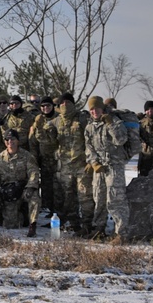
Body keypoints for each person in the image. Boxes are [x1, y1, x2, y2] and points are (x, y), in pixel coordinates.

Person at [84, 95, 129, 240]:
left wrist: (110, 124)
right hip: (99, 169)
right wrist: (93, 162)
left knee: (116, 200)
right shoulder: (89, 127)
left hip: (114, 167)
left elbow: (121, 139)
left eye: (96, 108)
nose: (94, 111)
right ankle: (99, 229)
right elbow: (88, 148)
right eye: (91, 109)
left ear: (102, 108)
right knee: (99, 199)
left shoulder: (113, 121)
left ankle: (121, 233)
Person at [49, 93, 93, 235]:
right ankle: (74, 223)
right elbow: (50, 143)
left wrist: (91, 160)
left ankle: (88, 225)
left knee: (85, 196)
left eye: (68, 102)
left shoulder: (82, 118)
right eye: (62, 103)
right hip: (65, 166)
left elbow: (91, 140)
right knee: (68, 197)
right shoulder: (56, 122)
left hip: (82, 164)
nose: (65, 105)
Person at [29, 95, 59, 215]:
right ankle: (49, 210)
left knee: (58, 187)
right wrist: (35, 158)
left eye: (48, 105)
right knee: (46, 186)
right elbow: (33, 141)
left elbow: (58, 139)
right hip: (44, 158)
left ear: (52, 106)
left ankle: (58, 211)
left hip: (57, 159)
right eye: (43, 106)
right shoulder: (38, 120)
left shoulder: (58, 119)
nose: (45, 108)